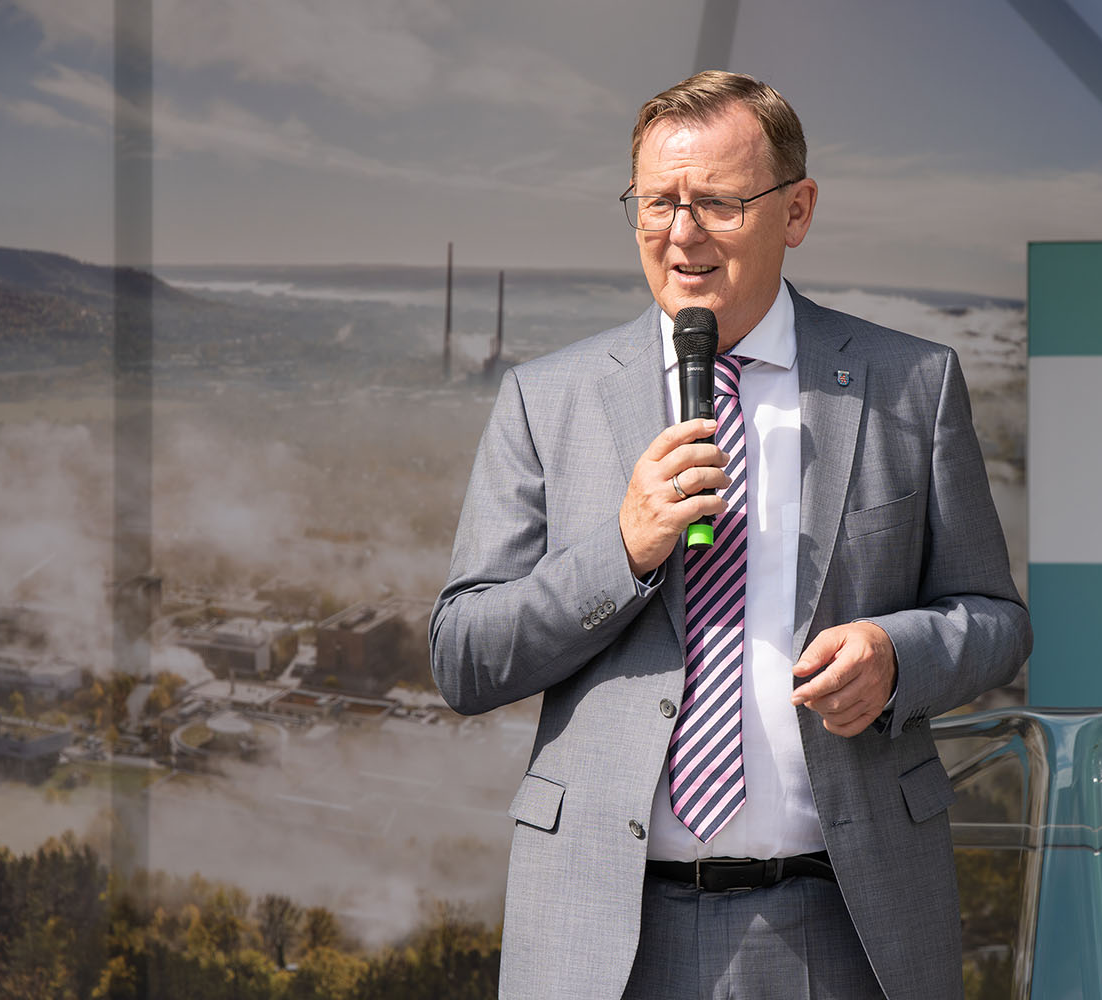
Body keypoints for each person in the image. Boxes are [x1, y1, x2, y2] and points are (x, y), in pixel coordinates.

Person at [430, 71, 1031, 1000]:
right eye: (657, 202)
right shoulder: (548, 399)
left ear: (797, 211)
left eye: (715, 202)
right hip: (604, 930)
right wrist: (622, 550)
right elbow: (464, 657)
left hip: (841, 922)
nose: (681, 233)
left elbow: (994, 618)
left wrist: (896, 655)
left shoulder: (910, 383)